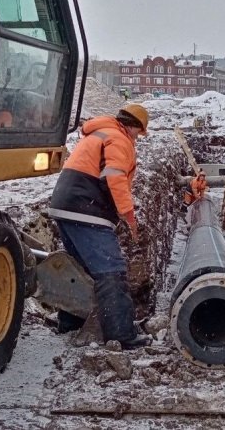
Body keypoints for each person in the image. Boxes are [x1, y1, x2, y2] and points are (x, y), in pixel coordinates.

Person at [48, 104, 152, 349]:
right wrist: (128, 215)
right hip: (86, 209)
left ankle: (71, 321)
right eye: (139, 132)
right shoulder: (119, 138)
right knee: (111, 271)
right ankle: (121, 335)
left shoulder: (99, 133)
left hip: (65, 204)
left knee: (80, 269)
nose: (138, 137)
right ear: (135, 126)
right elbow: (114, 177)